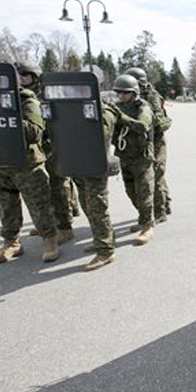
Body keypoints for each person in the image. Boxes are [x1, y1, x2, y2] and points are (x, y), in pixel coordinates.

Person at [0, 70, 59, 264]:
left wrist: (6, 113)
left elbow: (35, 132)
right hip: (0, 162)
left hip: (27, 164)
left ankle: (50, 240)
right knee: (6, 205)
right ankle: (11, 242)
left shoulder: (27, 101)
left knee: (39, 204)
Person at [15, 61, 76, 244]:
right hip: (36, 150)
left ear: (34, 76)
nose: (21, 79)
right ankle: (51, 223)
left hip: (53, 146)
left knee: (59, 187)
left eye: (25, 75)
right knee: (43, 190)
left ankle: (65, 227)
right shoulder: (20, 96)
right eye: (20, 75)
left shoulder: (48, 93)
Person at [75, 101, 120, 271]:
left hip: (95, 166)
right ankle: (102, 239)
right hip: (78, 164)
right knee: (86, 204)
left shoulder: (105, 112)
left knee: (97, 208)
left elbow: (100, 138)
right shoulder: (74, 110)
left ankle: (105, 252)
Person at [112, 74, 156, 245]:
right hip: (125, 157)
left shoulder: (143, 108)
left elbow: (142, 126)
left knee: (144, 193)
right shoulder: (117, 107)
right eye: (119, 93)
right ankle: (143, 219)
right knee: (131, 191)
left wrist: (121, 118)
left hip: (141, 157)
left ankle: (147, 226)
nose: (121, 96)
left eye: (125, 93)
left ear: (134, 92)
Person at [125, 67, 172, 223]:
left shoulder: (151, 96)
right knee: (154, 175)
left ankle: (161, 211)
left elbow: (159, 120)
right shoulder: (130, 95)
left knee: (156, 173)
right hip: (141, 142)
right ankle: (165, 203)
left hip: (156, 140)